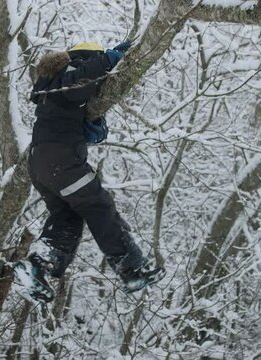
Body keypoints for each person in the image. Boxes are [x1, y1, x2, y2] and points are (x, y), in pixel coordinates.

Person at [15, 41, 165, 302]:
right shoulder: (71, 72)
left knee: (68, 215)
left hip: (40, 164)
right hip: (61, 161)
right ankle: (131, 269)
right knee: (98, 205)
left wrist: (91, 124)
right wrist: (108, 58)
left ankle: (37, 265)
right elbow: (81, 79)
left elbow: (73, 107)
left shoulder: (51, 87)